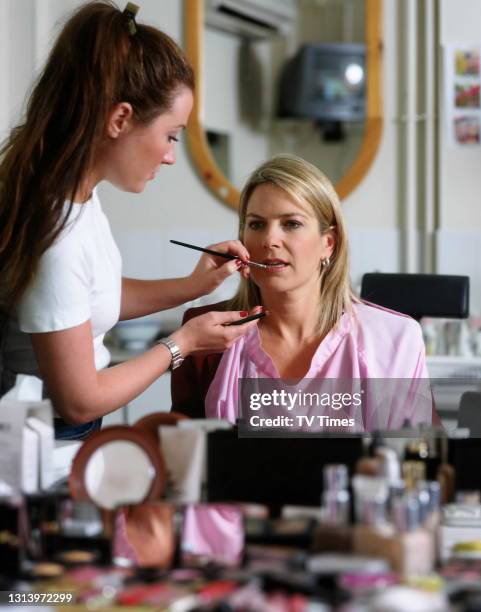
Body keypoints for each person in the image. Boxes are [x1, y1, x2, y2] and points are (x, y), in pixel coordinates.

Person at [0, 1, 260, 440]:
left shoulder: (78, 200)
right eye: (170, 135)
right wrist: (183, 345)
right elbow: (78, 399)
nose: (171, 156)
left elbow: (90, 297)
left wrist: (193, 286)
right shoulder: (55, 234)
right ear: (120, 118)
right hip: (47, 444)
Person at [172, 154, 439, 431]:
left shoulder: (395, 338)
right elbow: (183, 454)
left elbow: (418, 453)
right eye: (256, 224)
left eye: (291, 223)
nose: (269, 240)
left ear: (328, 244)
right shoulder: (203, 334)